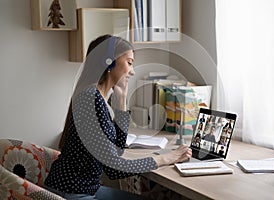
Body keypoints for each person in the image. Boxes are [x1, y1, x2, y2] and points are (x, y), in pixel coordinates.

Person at [44, 34, 192, 200]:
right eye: (129, 62)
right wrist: (165, 158)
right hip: (72, 193)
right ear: (110, 62)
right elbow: (114, 170)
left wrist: (121, 99)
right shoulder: (91, 99)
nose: (132, 71)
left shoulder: (94, 96)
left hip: (82, 189)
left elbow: (118, 150)